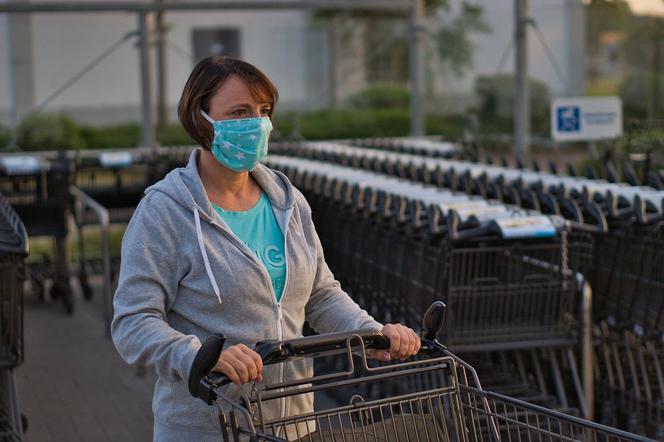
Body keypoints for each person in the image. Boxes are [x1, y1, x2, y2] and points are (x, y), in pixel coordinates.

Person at [111, 56, 421, 441]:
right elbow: (133, 321)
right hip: (208, 428)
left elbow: (321, 295)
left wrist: (370, 332)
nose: (257, 124)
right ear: (200, 118)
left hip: (291, 425)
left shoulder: (286, 201)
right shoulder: (165, 212)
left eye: (263, 111)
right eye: (240, 112)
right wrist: (197, 356)